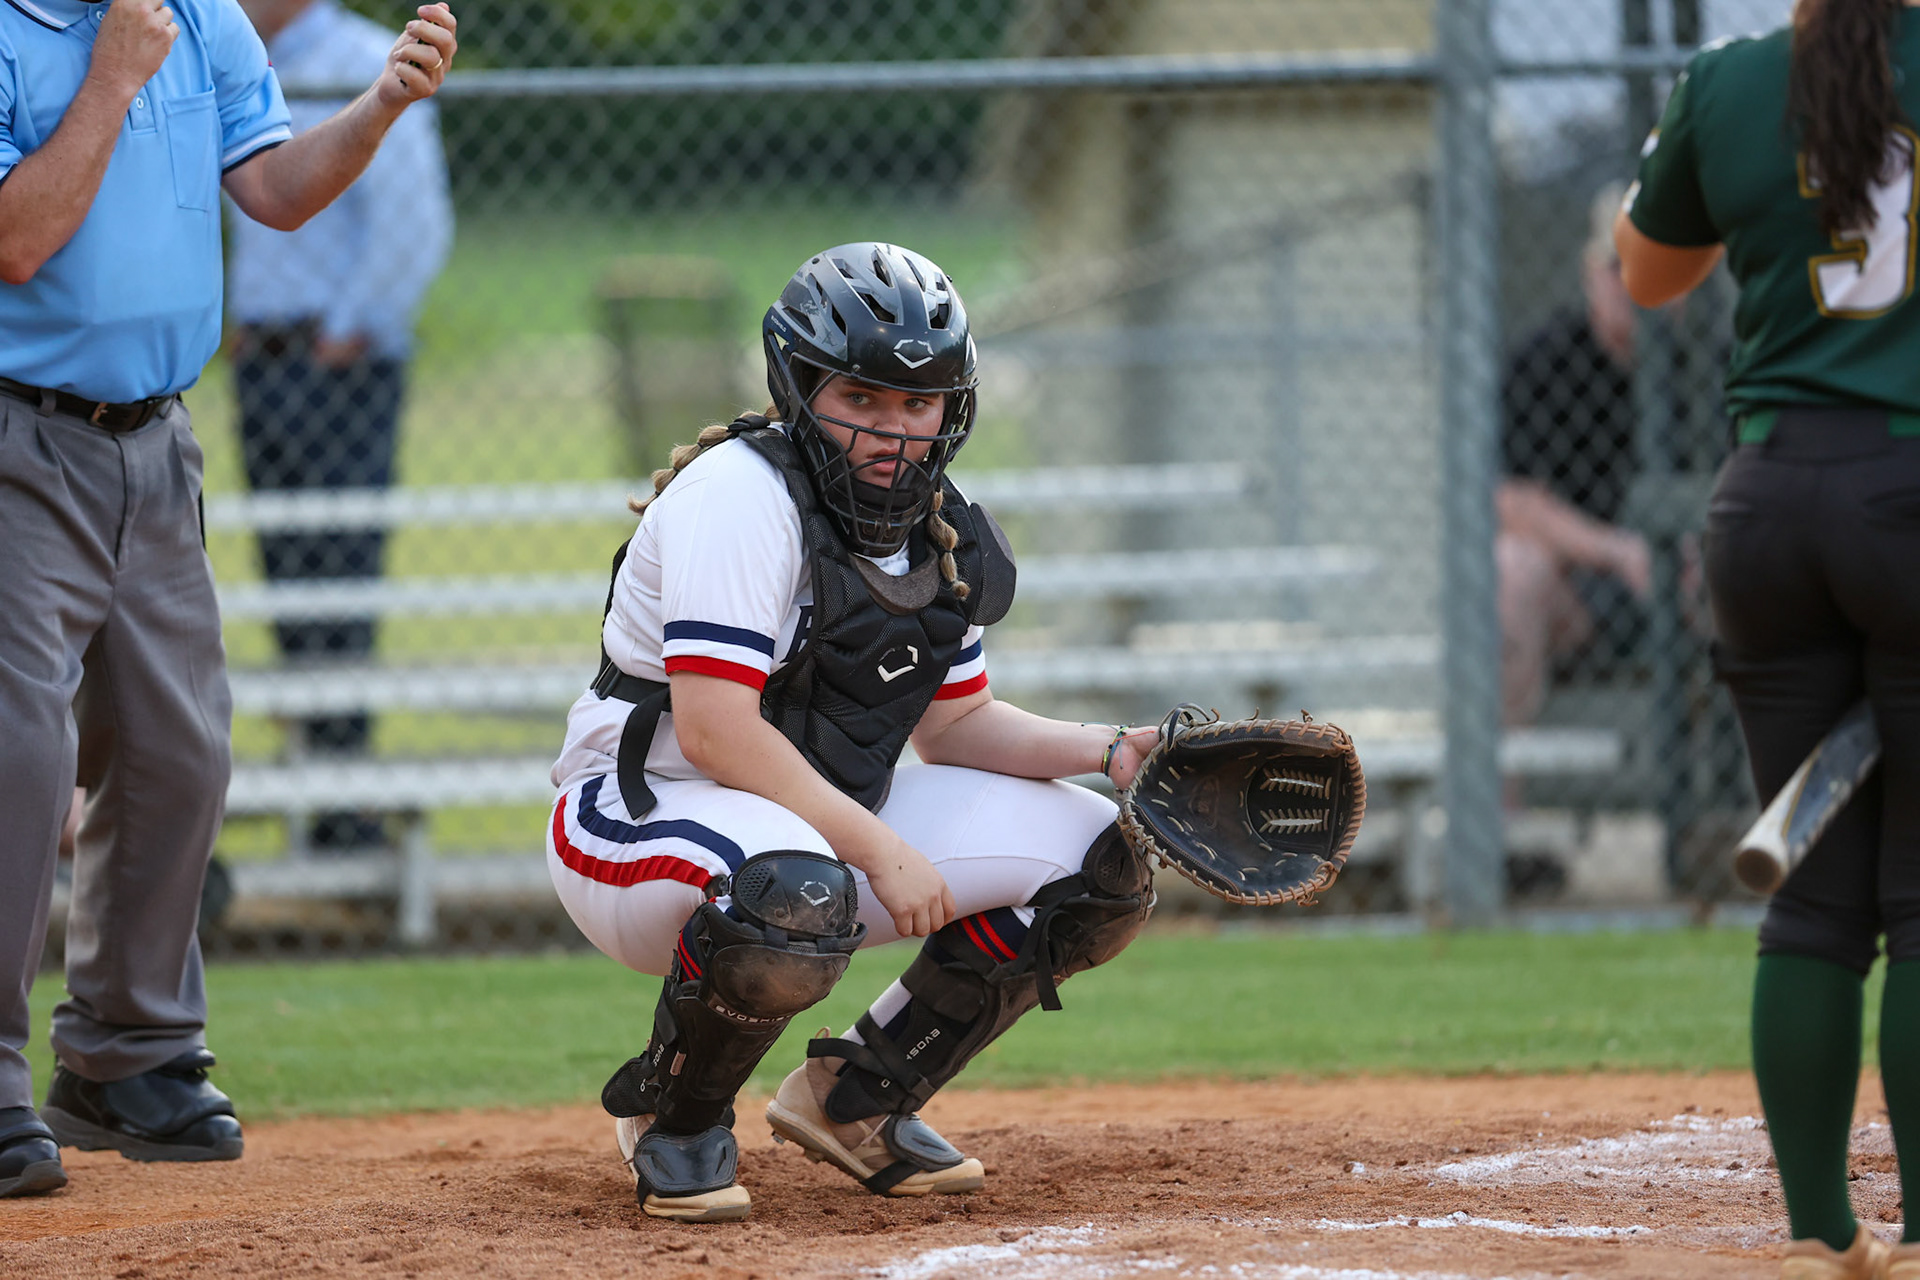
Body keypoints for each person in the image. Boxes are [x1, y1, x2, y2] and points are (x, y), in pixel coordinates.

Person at [547, 242, 1164, 1223]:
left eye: (917, 403)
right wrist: (880, 849)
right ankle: (678, 1117)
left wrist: (1113, 750)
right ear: (798, 388)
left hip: (804, 828)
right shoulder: (739, 499)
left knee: (1103, 860)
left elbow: (957, 726)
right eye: (862, 399)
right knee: (798, 886)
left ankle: (856, 1096)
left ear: (952, 406)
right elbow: (714, 735)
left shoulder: (934, 525)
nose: (893, 429)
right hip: (636, 815)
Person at [0, 0, 458, 1199]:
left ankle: (124, 1054)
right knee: (15, 763)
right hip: (14, 434)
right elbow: (14, 241)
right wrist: (109, 77)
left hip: (154, 441)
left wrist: (381, 105)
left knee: (179, 752)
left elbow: (275, 190)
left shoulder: (198, 16)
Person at [1616, 2, 1920, 1276]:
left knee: (1811, 899)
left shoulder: (1732, 79)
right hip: (1907, 498)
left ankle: (1816, 1234)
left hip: (1766, 506)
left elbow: (1651, 276)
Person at [228, 0, 454, 854]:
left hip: (339, 359)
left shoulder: (371, 56)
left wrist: (345, 332)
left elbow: (412, 225)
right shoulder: (236, 51)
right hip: (268, 356)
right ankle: (315, 789)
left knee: (340, 574)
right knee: (289, 575)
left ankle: (344, 795)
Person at [1499, 182, 1656, 729]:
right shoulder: (1546, 362)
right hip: (1581, 585)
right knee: (1513, 569)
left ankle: (1733, 802)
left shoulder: (1713, 364)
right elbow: (1512, 501)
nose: (1637, 285)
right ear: (1591, 273)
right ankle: (1501, 807)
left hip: (1686, 582)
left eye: (1657, 265)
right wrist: (1617, 551)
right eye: (1620, 268)